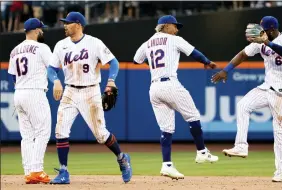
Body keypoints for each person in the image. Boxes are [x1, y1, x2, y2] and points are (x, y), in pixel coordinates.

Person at [47, 12, 132, 184]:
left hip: (90, 91)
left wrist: (111, 81)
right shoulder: (60, 45)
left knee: (101, 135)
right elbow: (51, 69)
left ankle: (122, 158)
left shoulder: (94, 43)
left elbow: (113, 62)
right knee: (60, 131)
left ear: (78, 24)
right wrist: (55, 80)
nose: (64, 25)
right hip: (70, 92)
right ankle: (64, 171)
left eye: (68, 23)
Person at [133, 15, 219, 180]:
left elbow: (136, 60)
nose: (177, 29)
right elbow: (194, 53)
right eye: (175, 26)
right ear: (165, 26)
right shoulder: (174, 40)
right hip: (170, 84)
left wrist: (152, 66)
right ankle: (201, 152)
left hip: (154, 88)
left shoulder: (147, 43)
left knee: (166, 128)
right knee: (193, 116)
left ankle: (167, 165)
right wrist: (207, 62)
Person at [212, 16, 282, 182]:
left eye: (263, 30)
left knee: (279, 133)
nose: (261, 33)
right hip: (267, 87)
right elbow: (243, 54)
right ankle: (241, 147)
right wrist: (226, 70)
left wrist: (268, 43)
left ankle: (280, 171)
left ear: (272, 29)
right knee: (243, 105)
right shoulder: (261, 42)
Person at [7, 18, 51, 184]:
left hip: (19, 93)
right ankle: (37, 170)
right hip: (35, 92)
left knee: (26, 136)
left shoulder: (14, 50)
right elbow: (53, 67)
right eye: (41, 29)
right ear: (35, 31)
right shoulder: (42, 47)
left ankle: (28, 171)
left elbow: (12, 75)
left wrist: (22, 87)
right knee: (42, 132)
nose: (42, 32)